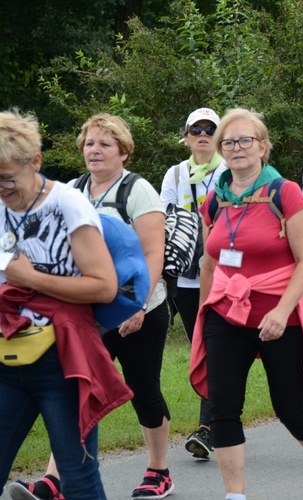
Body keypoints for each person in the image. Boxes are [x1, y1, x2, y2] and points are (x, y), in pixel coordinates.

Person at [189, 108, 303, 500]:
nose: (236, 148)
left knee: (289, 407)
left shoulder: (285, 193)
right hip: (226, 314)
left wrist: (281, 311)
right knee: (221, 408)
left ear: (262, 146)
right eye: (228, 142)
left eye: (246, 140)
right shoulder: (215, 198)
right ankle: (235, 494)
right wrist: (203, 312)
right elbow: (209, 262)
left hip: (281, 316)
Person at [19, 113, 173, 499]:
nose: (95, 150)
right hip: (85, 313)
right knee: (73, 389)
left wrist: (136, 305)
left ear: (123, 151)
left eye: (105, 143)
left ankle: (159, 470)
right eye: (89, 143)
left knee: (142, 388)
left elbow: (154, 252)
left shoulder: (138, 190)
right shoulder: (71, 190)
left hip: (138, 311)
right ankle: (56, 479)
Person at [0, 109, 131, 500]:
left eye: (8, 177)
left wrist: (31, 279)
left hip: (62, 361)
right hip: (8, 359)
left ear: (35, 161)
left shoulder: (68, 204)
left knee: (78, 479)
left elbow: (105, 287)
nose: (2, 188)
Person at [160, 107, 228, 459]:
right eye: (195, 129)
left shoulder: (230, 170)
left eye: (209, 128)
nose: (202, 134)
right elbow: (165, 221)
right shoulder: (174, 173)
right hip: (187, 280)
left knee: (216, 348)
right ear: (186, 136)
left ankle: (208, 427)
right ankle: (222, 418)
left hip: (225, 275)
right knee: (203, 347)